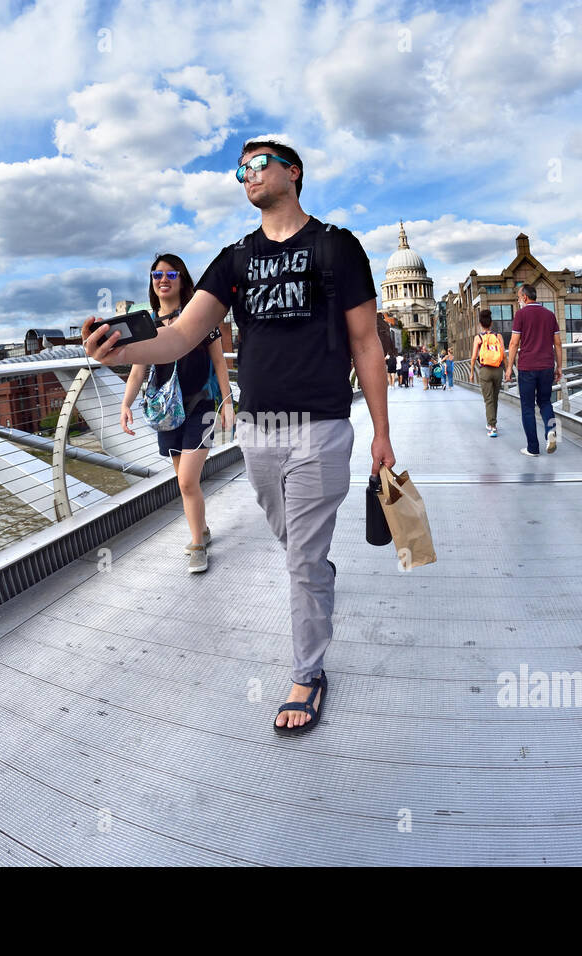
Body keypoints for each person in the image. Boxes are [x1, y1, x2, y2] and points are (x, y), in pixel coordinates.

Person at [84, 139, 394, 735]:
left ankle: (308, 673)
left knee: (301, 558)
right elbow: (179, 339)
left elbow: (366, 344)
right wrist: (119, 351)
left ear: (293, 173)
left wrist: (382, 432)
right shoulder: (234, 260)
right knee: (295, 545)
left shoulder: (337, 247)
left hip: (322, 426)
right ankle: (319, 577)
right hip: (258, 430)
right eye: (240, 169)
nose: (246, 175)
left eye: (258, 165)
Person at [120, 253, 233, 572]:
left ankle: (198, 545)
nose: (163, 280)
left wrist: (227, 404)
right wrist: (125, 404)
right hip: (167, 412)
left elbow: (219, 361)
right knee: (186, 481)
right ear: (151, 283)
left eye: (171, 275)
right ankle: (203, 530)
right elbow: (137, 371)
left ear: (182, 279)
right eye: (157, 275)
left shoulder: (198, 318)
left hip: (201, 407)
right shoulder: (147, 326)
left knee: (186, 482)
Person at [503, 283, 564, 457]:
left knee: (528, 407)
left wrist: (509, 368)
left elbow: (514, 343)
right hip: (546, 366)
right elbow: (558, 344)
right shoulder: (550, 315)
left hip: (527, 367)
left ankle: (533, 448)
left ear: (524, 297)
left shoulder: (521, 314)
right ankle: (551, 431)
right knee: (545, 402)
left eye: (518, 297)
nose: (518, 300)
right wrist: (559, 367)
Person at [471, 309, 504, 437]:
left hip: (485, 370)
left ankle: (492, 426)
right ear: (491, 323)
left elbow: (474, 356)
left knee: (488, 399)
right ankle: (492, 422)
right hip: (498, 369)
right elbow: (504, 355)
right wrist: (507, 370)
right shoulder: (498, 336)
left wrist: (472, 372)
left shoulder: (478, 338)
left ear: (480, 324)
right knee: (494, 398)